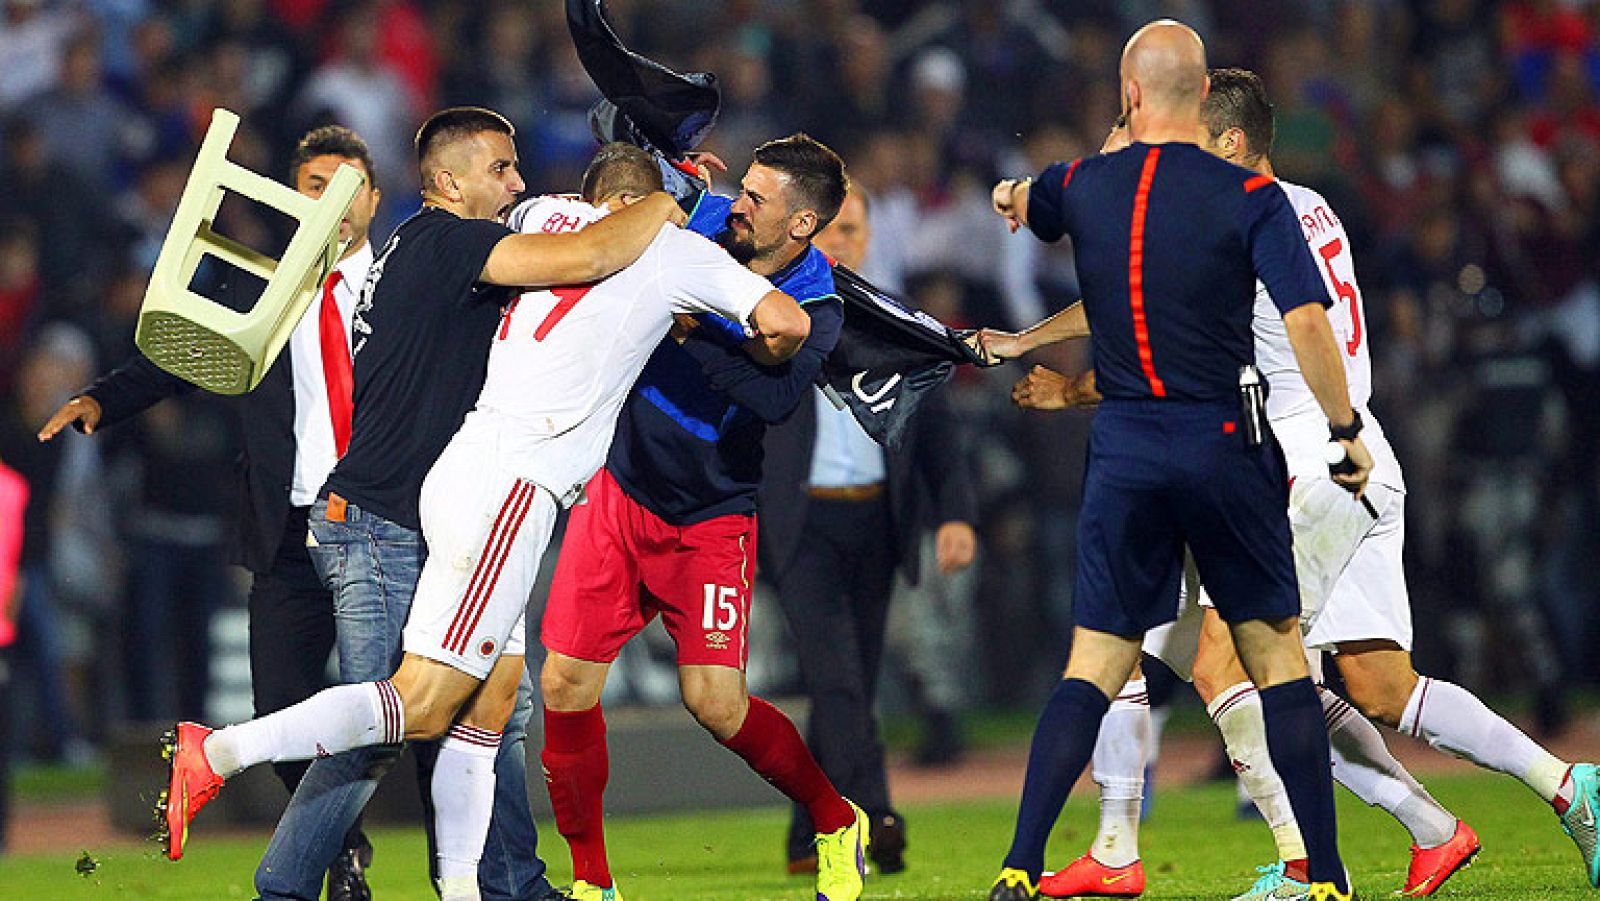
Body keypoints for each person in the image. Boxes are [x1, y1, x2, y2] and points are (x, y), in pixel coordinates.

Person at [993, 68, 1600, 900]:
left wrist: (1035, 350)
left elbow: (1140, 306)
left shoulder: (1233, 214)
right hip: (1361, 458)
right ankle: (1561, 790)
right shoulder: (1305, 206)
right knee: (1382, 685)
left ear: (1232, 144)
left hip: (1309, 464)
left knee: (1225, 660)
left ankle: (1304, 864)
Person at [153, 107, 683, 899]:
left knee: (495, 710)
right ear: (448, 180)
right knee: (389, 722)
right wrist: (674, 201)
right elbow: (595, 251)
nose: (516, 181)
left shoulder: (410, 245)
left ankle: (508, 883)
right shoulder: (454, 243)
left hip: (425, 517)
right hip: (386, 519)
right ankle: (259, 830)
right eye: (500, 168)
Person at [982, 21, 1370, 901]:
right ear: (1202, 95)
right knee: (1275, 659)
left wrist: (1010, 192)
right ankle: (1330, 878)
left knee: (1094, 664)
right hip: (1223, 441)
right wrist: (1344, 429)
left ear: (1126, 95)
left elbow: (1024, 202)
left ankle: (1021, 860)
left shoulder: (1080, 184)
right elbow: (1307, 320)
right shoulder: (1248, 196)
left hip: (1124, 449)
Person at [39, 124, 386, 899]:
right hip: (286, 530)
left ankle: (477, 871)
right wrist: (103, 397)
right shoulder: (259, 285)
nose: (328, 199)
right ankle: (340, 851)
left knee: (408, 713)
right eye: (312, 184)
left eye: (344, 184)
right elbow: (178, 356)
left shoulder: (405, 284)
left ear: (374, 199)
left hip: (383, 530)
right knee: (283, 713)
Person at [536, 134, 869, 901]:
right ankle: (593, 882)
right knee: (564, 683)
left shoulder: (818, 300)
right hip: (622, 491)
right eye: (742, 187)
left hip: (713, 516)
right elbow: (629, 178)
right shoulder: (707, 221)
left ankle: (832, 818)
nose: (739, 204)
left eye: (759, 197)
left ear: (804, 223)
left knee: (715, 704)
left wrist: (691, 320)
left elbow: (777, 399)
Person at [760, 183, 978, 875]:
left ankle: (804, 829)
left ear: (867, 236)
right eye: (828, 230)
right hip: (803, 523)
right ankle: (875, 812)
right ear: (804, 234)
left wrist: (955, 512)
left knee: (846, 680)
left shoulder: (892, 321)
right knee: (841, 677)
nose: (841, 242)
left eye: (851, 228)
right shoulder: (773, 314)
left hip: (877, 522)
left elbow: (937, 427)